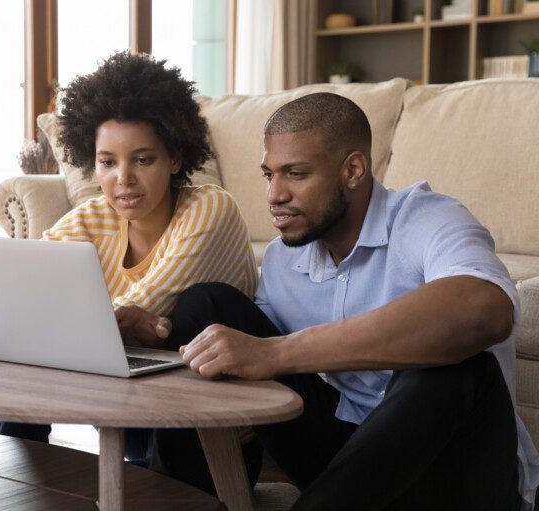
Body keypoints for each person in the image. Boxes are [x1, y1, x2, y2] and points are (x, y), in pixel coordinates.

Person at [139, 92, 537, 509]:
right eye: (268, 175)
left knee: (456, 366)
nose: (274, 194)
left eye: (295, 173)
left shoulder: (428, 218)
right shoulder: (282, 258)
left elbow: (483, 310)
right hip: (350, 461)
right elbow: (245, 352)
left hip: (453, 476)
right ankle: (187, 500)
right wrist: (152, 331)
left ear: (352, 169)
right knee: (207, 306)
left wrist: (278, 352)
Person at [0, 52, 263, 487]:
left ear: (175, 158)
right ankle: (24, 484)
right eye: (107, 162)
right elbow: (18, 280)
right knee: (26, 341)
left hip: (211, 441)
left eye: (143, 160)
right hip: (131, 408)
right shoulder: (96, 216)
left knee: (31, 333)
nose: (123, 179)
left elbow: (131, 309)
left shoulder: (210, 208)